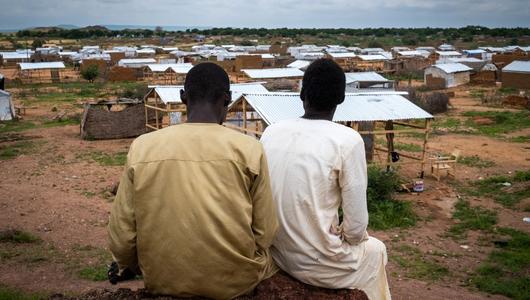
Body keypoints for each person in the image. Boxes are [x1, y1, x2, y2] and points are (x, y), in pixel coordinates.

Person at [108, 62, 278, 299]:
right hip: (234, 283)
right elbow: (265, 231)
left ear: (183, 97)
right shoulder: (250, 148)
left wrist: (134, 266)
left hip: (162, 280)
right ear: (227, 99)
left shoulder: (143, 147)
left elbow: (122, 235)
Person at [260, 59, 391, 300]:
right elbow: (355, 228)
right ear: (341, 98)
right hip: (316, 264)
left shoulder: (271, 131)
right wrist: (343, 235)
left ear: (302, 94)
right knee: (377, 250)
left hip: (276, 252)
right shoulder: (348, 141)